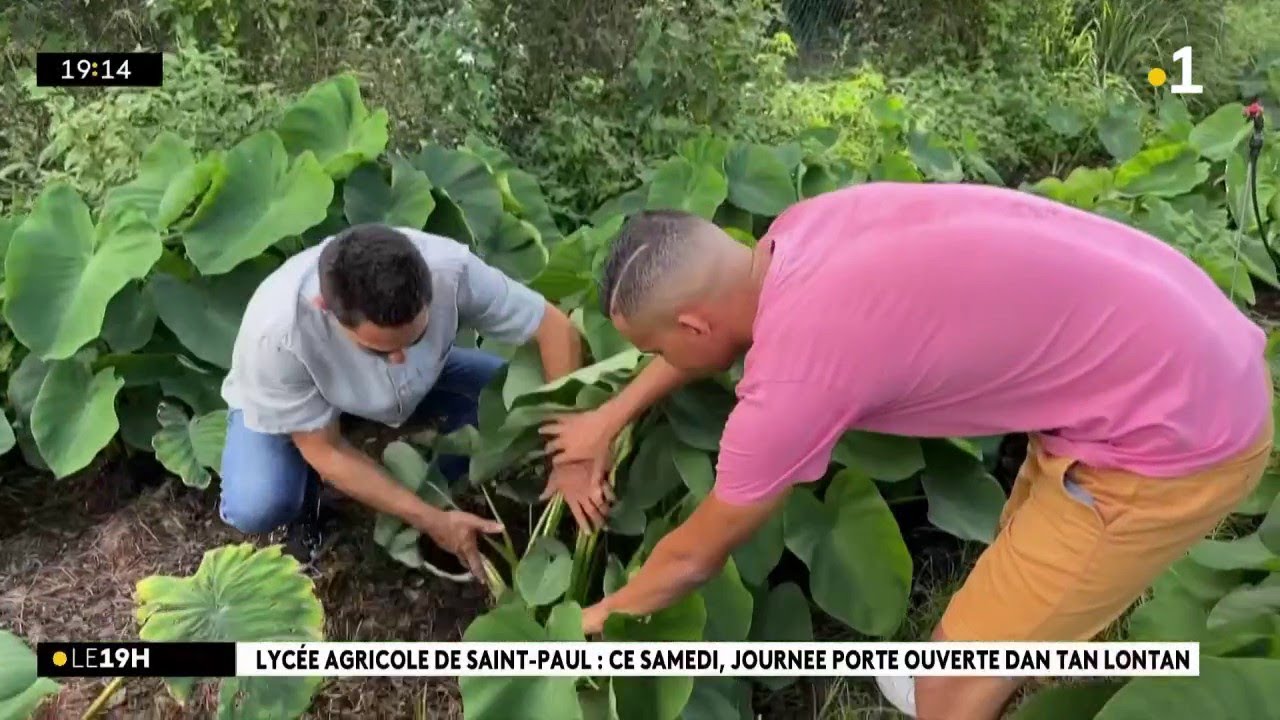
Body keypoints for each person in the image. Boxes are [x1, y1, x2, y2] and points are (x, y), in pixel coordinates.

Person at [540, 182, 1273, 720]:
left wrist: (594, 621)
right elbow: (708, 339)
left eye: (650, 348)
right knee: (1015, 577)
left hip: (1173, 436)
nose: (649, 360)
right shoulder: (799, 232)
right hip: (1179, 336)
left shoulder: (795, 375)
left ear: (692, 326)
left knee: (953, 688)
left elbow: (694, 556)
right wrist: (609, 416)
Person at [218, 223, 607, 575]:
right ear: (326, 308)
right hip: (305, 399)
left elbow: (554, 327)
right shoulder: (278, 335)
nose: (399, 359)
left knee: (508, 396)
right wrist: (431, 521)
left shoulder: (449, 268)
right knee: (258, 502)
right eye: (379, 351)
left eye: (414, 338)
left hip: (425, 379)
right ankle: (312, 506)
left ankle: (439, 481)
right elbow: (327, 451)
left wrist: (570, 453)